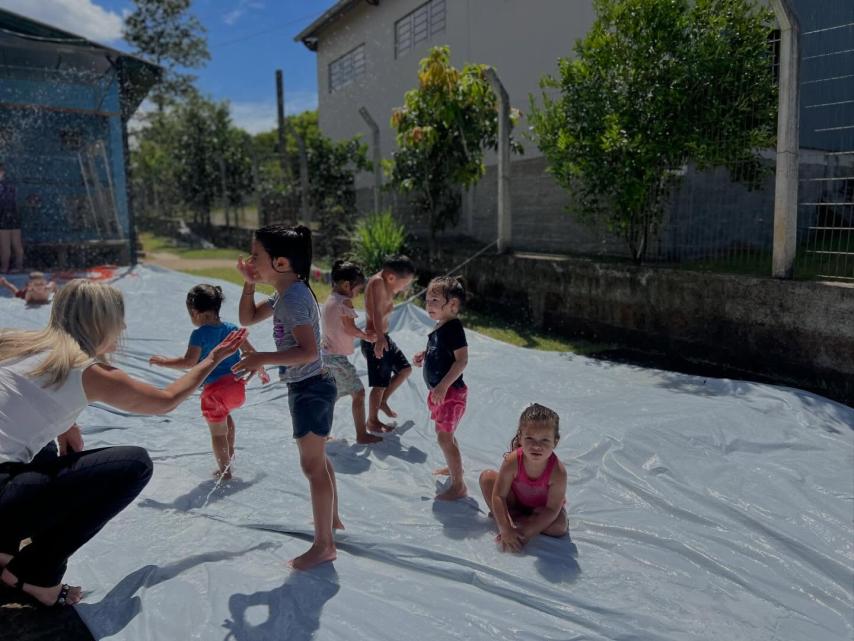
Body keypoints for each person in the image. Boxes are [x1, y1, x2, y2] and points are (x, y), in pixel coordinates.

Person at [0, 279, 246, 607]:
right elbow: (166, 400)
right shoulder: (88, 371)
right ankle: (33, 577)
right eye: (119, 318)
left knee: (42, 448)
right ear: (101, 322)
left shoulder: (16, 342)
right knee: (133, 465)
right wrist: (214, 357)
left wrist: (66, 424)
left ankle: (3, 551)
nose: (125, 326)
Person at [234, 224, 341, 571]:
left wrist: (261, 358)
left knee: (312, 466)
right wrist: (249, 282)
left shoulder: (293, 298)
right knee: (318, 460)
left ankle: (324, 545)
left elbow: (309, 352)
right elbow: (246, 318)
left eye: (256, 258)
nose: (252, 261)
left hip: (311, 388)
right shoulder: (285, 292)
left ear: (280, 263)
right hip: (309, 386)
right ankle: (332, 518)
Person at [149, 284, 269, 480]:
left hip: (215, 392)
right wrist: (261, 370)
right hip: (237, 389)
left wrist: (164, 362)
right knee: (227, 422)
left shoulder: (199, 334)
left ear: (195, 312)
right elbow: (251, 353)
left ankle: (224, 471)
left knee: (218, 434)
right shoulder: (232, 329)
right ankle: (228, 460)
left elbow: (188, 362)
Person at [479, 403, 568, 552]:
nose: (536, 446)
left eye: (544, 440)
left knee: (559, 526)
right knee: (486, 478)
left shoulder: (558, 472)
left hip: (541, 510)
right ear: (520, 437)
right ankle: (509, 517)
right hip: (515, 502)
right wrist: (505, 529)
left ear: (555, 441)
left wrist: (525, 533)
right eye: (530, 438)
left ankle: (513, 518)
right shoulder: (512, 461)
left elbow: (552, 509)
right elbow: (499, 496)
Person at [413, 277, 469, 500]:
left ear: (453, 305)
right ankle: (455, 468)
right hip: (440, 393)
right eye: (427, 300)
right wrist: (424, 354)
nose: (429, 305)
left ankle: (459, 485)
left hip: (451, 393)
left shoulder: (454, 328)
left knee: (444, 437)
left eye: (435, 300)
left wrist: (444, 385)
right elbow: (440, 350)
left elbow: (462, 360)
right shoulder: (440, 326)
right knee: (446, 435)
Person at [321, 261, 381, 444]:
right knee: (359, 393)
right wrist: (365, 335)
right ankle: (361, 435)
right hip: (336, 358)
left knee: (332, 395)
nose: (357, 294)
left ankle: (321, 433)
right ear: (347, 285)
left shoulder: (330, 298)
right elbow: (350, 328)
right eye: (358, 290)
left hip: (325, 356)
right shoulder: (344, 301)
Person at [360, 255, 415, 432]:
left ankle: (383, 401)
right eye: (404, 283)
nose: (405, 287)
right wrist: (380, 338)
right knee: (379, 383)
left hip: (384, 337)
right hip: (375, 339)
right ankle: (372, 420)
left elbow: (385, 304)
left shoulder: (386, 283)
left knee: (405, 369)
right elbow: (375, 311)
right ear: (391, 277)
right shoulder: (377, 282)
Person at [0, 162, 23, 274]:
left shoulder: (8, 186)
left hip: (6, 218)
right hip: (10, 217)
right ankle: (15, 267)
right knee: (11, 246)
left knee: (9, 246)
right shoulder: (9, 186)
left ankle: (6, 268)